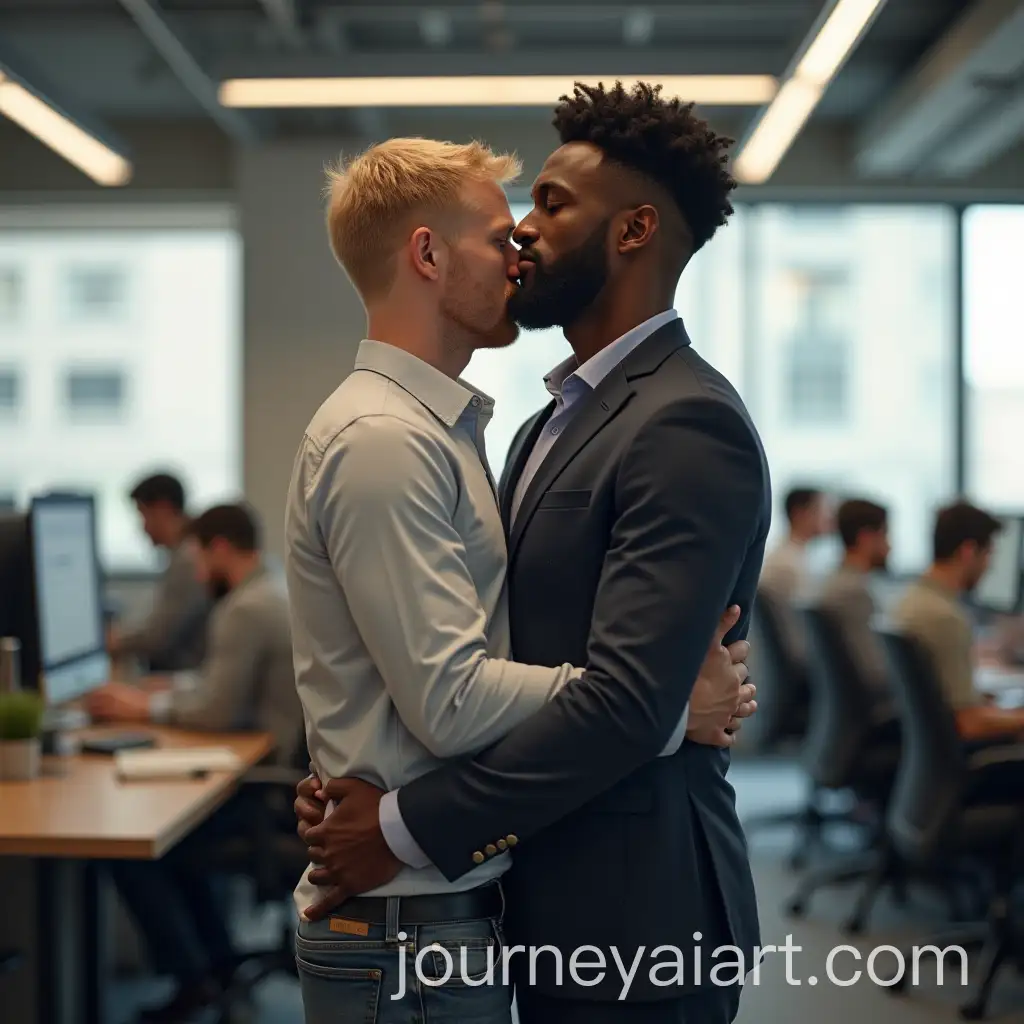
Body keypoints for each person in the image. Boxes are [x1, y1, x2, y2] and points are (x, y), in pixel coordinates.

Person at [292, 80, 771, 1024]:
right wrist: (668, 700)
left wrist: (399, 824)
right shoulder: (541, 423)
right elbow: (487, 660)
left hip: (638, 910)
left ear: (632, 233)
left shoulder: (685, 422)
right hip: (534, 880)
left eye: (550, 206)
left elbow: (625, 700)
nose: (521, 236)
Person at [88, 503, 303, 1023]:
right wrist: (174, 688)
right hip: (282, 783)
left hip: (268, 796)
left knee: (140, 843)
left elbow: (215, 709)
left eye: (200, 560)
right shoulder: (269, 588)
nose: (198, 574)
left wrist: (141, 705)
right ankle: (214, 965)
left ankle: (195, 978)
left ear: (221, 549)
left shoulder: (244, 608)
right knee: (170, 835)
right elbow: (223, 686)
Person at [892, 500, 1024, 741]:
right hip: (966, 760)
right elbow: (968, 723)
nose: (989, 566)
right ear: (968, 551)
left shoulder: (912, 600)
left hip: (929, 753)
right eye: (988, 554)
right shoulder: (944, 617)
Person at [107, 472, 210, 672]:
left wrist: (112, 641)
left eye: (143, 515)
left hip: (183, 675)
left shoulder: (188, 560)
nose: (142, 527)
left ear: (163, 509)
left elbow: (158, 636)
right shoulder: (187, 552)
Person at [817, 498, 894, 717]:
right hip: (871, 709)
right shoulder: (853, 592)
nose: (889, 546)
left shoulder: (833, 581)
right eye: (885, 535)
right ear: (866, 538)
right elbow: (875, 672)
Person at [761, 486, 831, 603]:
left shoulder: (801, 557)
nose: (829, 518)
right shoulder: (785, 563)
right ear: (799, 513)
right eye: (824, 511)